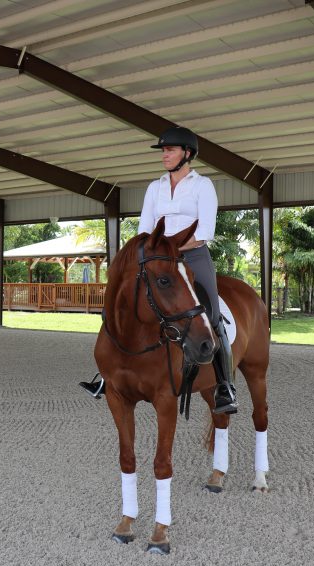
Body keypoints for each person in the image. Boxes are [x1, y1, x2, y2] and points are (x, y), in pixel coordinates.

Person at [79, 126, 238, 415]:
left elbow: (205, 231)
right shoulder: (155, 187)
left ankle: (225, 385)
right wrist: (153, 253)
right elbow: (144, 229)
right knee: (122, 307)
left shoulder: (203, 186)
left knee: (212, 314)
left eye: (170, 150)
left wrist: (173, 249)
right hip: (157, 261)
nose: (164, 155)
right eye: (163, 150)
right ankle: (108, 375)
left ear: (187, 154)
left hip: (193, 256)